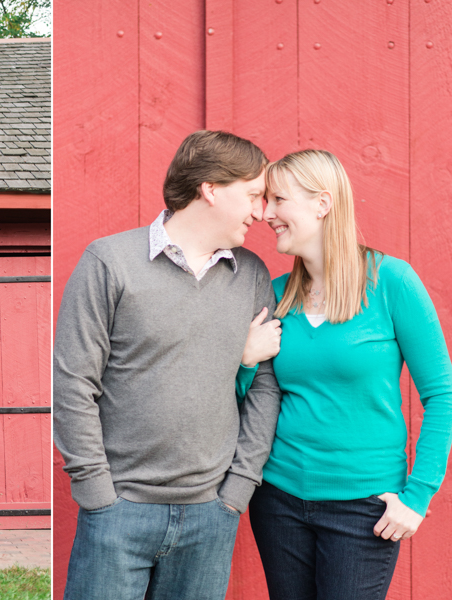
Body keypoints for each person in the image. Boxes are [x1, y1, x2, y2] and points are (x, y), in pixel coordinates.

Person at [53, 130, 282, 600]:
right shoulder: (109, 262)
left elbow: (265, 389)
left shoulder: (252, 275)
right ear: (212, 189)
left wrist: (236, 492)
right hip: (119, 511)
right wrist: (98, 494)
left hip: (210, 515)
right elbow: (74, 383)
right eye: (254, 195)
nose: (261, 212)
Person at [237, 149, 452, 600]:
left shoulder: (391, 282)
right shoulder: (276, 296)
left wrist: (418, 497)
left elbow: (442, 396)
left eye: (278, 200)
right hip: (278, 501)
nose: (265, 214)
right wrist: (245, 360)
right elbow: (245, 397)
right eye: (265, 202)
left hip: (364, 507)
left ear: (323, 203)